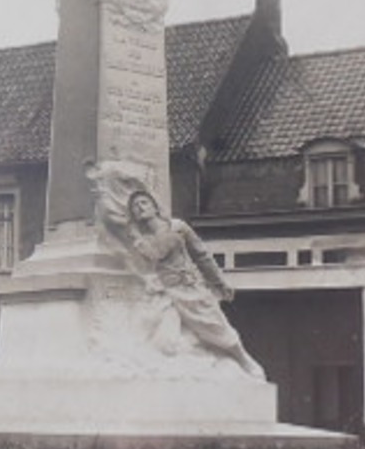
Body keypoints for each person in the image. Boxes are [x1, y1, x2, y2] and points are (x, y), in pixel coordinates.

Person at [89, 161, 265, 379]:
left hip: (191, 289)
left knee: (217, 329)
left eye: (143, 203)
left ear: (154, 206)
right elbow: (143, 250)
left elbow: (202, 255)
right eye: (135, 207)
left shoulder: (178, 227)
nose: (139, 208)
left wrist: (219, 282)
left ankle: (243, 359)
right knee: (164, 341)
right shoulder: (141, 240)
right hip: (167, 294)